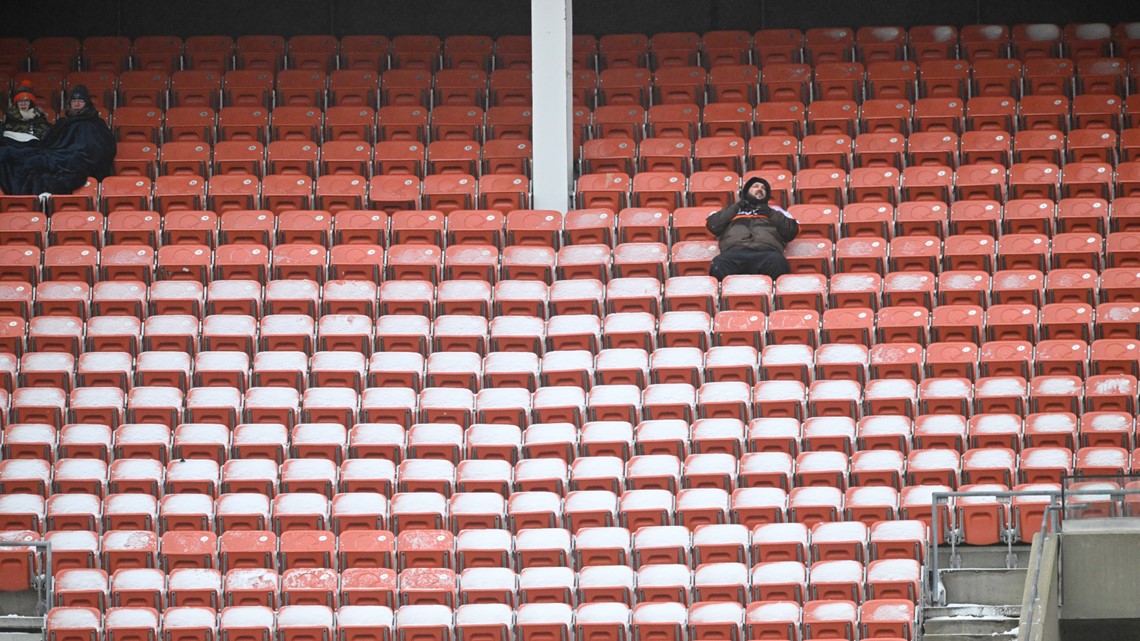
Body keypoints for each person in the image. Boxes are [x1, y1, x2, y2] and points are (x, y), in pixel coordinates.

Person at [0, 84, 116, 196]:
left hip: (77, 158)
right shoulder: (63, 123)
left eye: (80, 101)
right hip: (57, 155)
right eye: (74, 101)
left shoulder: (96, 124)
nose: (76, 104)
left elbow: (101, 148)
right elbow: (48, 143)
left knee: (68, 161)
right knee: (19, 155)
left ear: (86, 104)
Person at [705, 176, 799, 280]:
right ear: (746, 191)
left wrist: (770, 213)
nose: (760, 189)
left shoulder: (776, 211)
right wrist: (737, 207)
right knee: (719, 263)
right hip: (734, 254)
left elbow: (792, 231)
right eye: (755, 186)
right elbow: (713, 226)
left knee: (778, 261)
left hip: (767, 254)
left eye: (763, 188)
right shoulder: (731, 210)